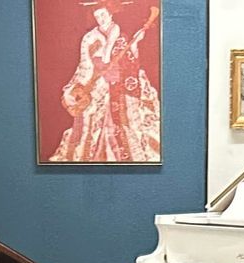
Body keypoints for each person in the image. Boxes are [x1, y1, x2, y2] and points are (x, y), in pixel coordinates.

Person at [48, 3, 160, 164]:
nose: (101, 19)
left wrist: (134, 47)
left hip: (121, 85)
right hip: (97, 84)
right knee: (89, 117)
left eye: (103, 15)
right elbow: (85, 65)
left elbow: (131, 60)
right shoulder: (89, 38)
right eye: (97, 16)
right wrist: (79, 86)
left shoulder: (122, 35)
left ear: (111, 14)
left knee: (129, 121)